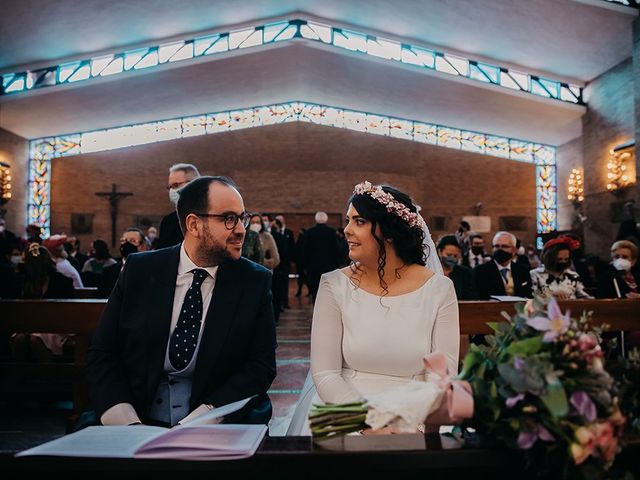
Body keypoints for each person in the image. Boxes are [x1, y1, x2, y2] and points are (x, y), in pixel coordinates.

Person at [88, 176, 277, 427]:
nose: (241, 229)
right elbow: (104, 352)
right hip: (135, 412)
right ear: (194, 224)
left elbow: (260, 365)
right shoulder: (140, 271)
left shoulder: (253, 281)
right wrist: (126, 423)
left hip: (211, 419)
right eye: (229, 219)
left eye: (242, 217)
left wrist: (205, 418)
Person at [287, 181, 458, 435]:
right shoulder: (333, 285)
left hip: (416, 411)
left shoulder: (439, 290)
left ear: (388, 231)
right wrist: (368, 422)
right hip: (345, 408)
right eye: (348, 220)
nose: (346, 230)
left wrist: (414, 424)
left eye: (359, 221)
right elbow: (326, 374)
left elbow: (443, 373)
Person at [474, 231, 532, 299]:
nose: (499, 250)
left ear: (514, 250)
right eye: (496, 246)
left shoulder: (522, 270)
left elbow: (528, 295)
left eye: (504, 246)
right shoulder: (480, 271)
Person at [157, 163, 200, 249]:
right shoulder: (168, 221)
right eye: (170, 187)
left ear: (193, 184)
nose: (172, 191)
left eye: (176, 185)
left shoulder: (209, 215)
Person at [96, 228, 148, 298]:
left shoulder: (150, 271)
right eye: (124, 240)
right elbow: (99, 297)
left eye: (133, 241)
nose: (127, 244)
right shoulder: (108, 271)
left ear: (142, 247)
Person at [302, 211, 341, 301]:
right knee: (328, 290)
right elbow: (336, 249)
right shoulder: (332, 232)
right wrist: (337, 264)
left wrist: (305, 265)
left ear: (316, 219)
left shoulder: (310, 232)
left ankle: (316, 310)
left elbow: (305, 250)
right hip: (329, 267)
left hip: (313, 267)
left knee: (315, 291)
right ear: (326, 219)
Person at [436, 234, 477, 300]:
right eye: (449, 255)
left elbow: (471, 299)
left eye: (455, 256)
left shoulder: (465, 273)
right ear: (440, 252)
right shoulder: (431, 271)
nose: (452, 258)